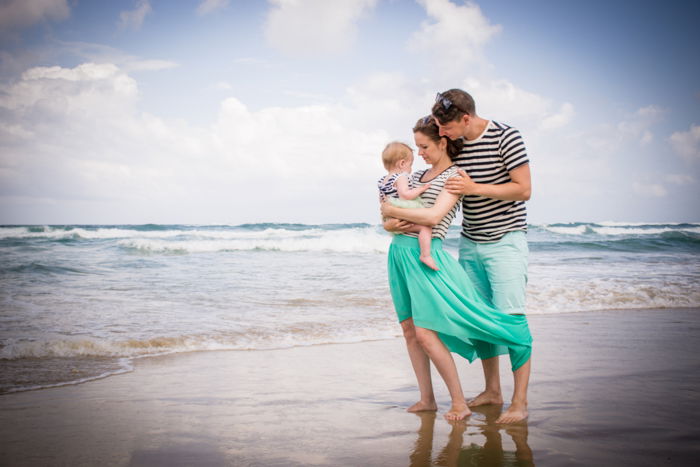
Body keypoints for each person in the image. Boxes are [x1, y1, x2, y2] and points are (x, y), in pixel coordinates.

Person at [380, 116, 532, 422]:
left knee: (425, 333)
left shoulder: (454, 177)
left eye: (424, 146)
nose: (419, 153)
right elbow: (387, 222)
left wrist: (390, 210)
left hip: (425, 255)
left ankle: (460, 402)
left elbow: (433, 218)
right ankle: (427, 399)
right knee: (409, 330)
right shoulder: (417, 175)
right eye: (417, 147)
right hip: (398, 254)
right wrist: (390, 221)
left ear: (442, 142)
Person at [431, 88, 532, 424]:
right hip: (470, 242)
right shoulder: (455, 143)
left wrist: (475, 188)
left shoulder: (507, 136)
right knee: (480, 319)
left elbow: (523, 189)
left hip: (506, 240)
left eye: (446, 127)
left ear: (466, 118)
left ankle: (519, 403)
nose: (443, 134)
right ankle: (493, 391)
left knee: (511, 318)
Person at [377, 142, 437, 270]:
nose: (411, 169)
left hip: (391, 216)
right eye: (411, 165)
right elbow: (405, 195)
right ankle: (425, 255)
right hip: (404, 210)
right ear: (402, 163)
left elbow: (382, 201)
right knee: (425, 228)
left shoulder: (383, 180)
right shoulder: (402, 176)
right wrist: (421, 189)